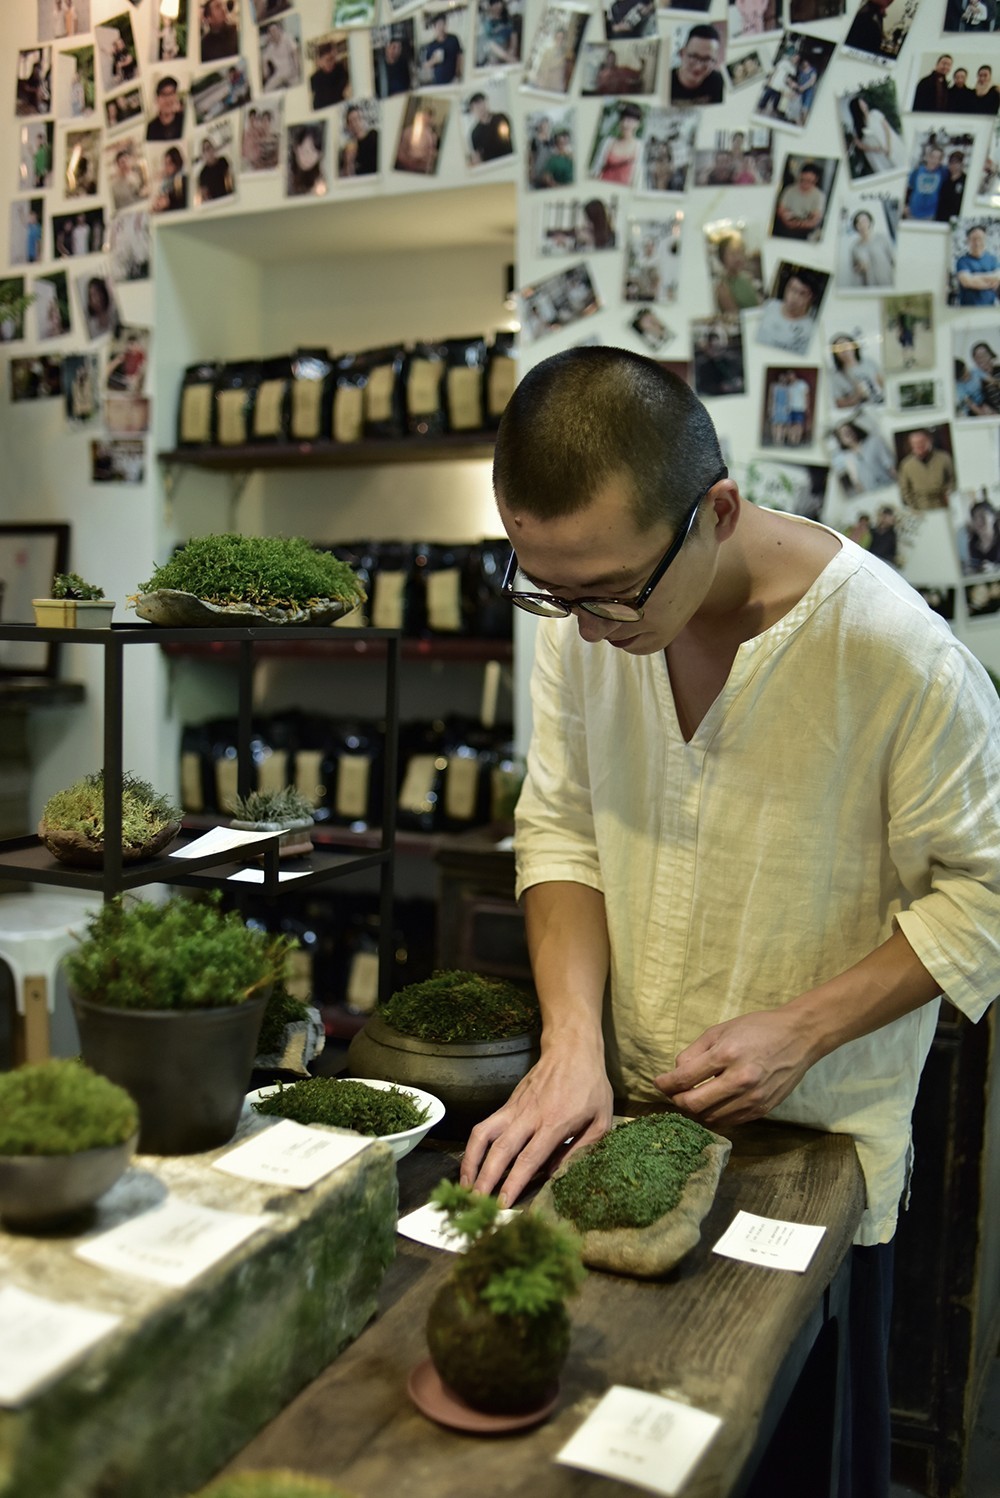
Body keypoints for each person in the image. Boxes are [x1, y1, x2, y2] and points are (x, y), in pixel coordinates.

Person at [462, 346, 1000, 1498]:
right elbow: (559, 829)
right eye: (549, 589)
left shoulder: (894, 656)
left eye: (611, 592)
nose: (585, 628)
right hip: (621, 1128)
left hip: (808, 1150)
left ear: (716, 510)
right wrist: (567, 1045)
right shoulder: (585, 616)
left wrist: (802, 1027)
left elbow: (985, 890)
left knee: (785, 1452)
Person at [755, 268, 820, 355]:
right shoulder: (769, 306)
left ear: (810, 297)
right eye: (792, 289)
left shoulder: (810, 331)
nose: (794, 297)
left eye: (802, 293)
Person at [897, 428, 954, 509]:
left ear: (929, 441)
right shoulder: (906, 465)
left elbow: (952, 479)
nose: (919, 446)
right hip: (920, 506)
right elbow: (904, 490)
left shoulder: (944, 458)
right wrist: (914, 507)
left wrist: (949, 495)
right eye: (915, 444)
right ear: (911, 445)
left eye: (921, 442)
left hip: (942, 503)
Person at [847, 95, 904, 176]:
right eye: (860, 104)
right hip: (875, 154)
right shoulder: (857, 128)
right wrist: (874, 149)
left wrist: (888, 146)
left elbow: (887, 129)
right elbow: (859, 145)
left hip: (889, 145)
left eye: (862, 102)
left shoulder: (875, 114)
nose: (863, 104)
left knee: (899, 163)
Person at [670, 24, 724, 105]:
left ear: (714, 61)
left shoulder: (719, 82)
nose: (698, 67)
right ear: (682, 53)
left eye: (707, 59)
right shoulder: (665, 81)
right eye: (693, 57)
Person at [591, 103, 642, 185]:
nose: (625, 124)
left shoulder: (640, 147)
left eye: (629, 120)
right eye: (623, 119)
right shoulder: (607, 142)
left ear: (637, 124)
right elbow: (596, 169)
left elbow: (638, 178)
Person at [773, 160, 826, 240]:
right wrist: (786, 220)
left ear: (815, 180)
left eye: (808, 181)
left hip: (806, 231)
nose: (804, 184)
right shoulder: (789, 190)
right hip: (786, 227)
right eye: (802, 180)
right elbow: (780, 209)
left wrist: (799, 224)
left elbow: (815, 220)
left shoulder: (819, 196)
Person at [830, 332, 884, 407]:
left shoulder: (868, 362)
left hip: (880, 405)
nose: (844, 350)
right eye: (839, 348)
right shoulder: (836, 376)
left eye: (846, 346)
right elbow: (839, 404)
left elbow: (883, 383)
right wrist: (857, 396)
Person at [714, 233, 761, 313]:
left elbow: (758, 304)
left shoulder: (747, 277)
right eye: (732, 253)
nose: (738, 257)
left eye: (740, 252)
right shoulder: (723, 287)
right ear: (722, 257)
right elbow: (736, 316)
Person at [955, 223, 1000, 305]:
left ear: (985, 240)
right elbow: (967, 282)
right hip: (967, 310)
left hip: (989, 308)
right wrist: (990, 282)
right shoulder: (962, 261)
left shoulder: (993, 259)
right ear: (968, 241)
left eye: (980, 239)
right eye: (974, 239)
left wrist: (974, 277)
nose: (977, 243)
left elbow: (998, 277)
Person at [850, 209, 895, 288]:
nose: (862, 225)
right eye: (859, 223)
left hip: (888, 283)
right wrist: (860, 267)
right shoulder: (855, 247)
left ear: (869, 222)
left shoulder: (882, 238)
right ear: (856, 226)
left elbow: (894, 260)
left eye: (864, 221)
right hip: (869, 286)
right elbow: (855, 269)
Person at [903, 142, 947, 220]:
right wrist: (905, 205)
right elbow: (908, 188)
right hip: (913, 212)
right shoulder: (917, 171)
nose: (934, 160)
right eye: (932, 157)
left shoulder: (942, 173)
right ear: (927, 157)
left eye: (938, 158)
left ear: (940, 161)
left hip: (930, 214)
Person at [468, 92, 513, 163]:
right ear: (472, 110)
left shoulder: (501, 118)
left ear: (486, 103)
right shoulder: (475, 133)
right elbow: (478, 156)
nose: (480, 108)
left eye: (481, 103)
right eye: (476, 107)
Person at [422, 13, 464, 85]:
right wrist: (434, 60)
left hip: (454, 80)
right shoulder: (432, 45)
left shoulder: (453, 39)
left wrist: (458, 74)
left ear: (445, 25)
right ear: (434, 27)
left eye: (443, 24)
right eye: (438, 25)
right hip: (438, 82)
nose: (441, 28)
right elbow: (426, 65)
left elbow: (459, 56)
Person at [261, 20, 301, 90]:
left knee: (298, 87)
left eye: (275, 30)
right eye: (271, 32)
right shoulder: (270, 47)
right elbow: (264, 61)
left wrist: (297, 69)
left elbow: (295, 53)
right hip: (279, 74)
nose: (274, 33)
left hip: (291, 72)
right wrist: (265, 71)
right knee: (267, 89)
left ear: (279, 30)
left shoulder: (287, 39)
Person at [310, 40, 350, 110]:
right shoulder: (315, 78)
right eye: (328, 60)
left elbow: (343, 85)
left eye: (333, 59)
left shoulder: (340, 70)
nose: (332, 62)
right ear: (319, 61)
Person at [339, 105, 378, 176]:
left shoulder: (374, 136)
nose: (355, 124)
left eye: (357, 119)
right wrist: (349, 163)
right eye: (351, 121)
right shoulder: (348, 149)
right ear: (348, 126)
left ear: (362, 119)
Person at [288, 123, 326, 194]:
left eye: (313, 152)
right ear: (296, 149)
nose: (308, 157)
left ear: (319, 155)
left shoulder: (321, 178)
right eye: (305, 151)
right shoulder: (286, 174)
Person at [965, 496, 1000, 568]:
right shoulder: (972, 543)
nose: (979, 521)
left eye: (982, 515)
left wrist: (994, 567)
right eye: (975, 517)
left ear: (993, 517)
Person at [146, 77, 184, 141]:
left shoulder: (184, 121)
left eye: (171, 93)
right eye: (164, 94)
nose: (168, 99)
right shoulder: (150, 129)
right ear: (157, 99)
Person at [935, 150, 967, 221]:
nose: (953, 165)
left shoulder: (965, 180)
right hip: (941, 216)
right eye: (951, 163)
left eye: (956, 163)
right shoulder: (945, 178)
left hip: (956, 217)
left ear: (961, 164)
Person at [152, 145, 187, 211]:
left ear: (176, 163)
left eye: (169, 164)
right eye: (165, 164)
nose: (166, 167)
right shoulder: (167, 180)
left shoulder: (182, 179)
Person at [768, 369, 791, 443]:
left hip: (784, 408)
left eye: (784, 378)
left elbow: (788, 399)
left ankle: (781, 438)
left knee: (782, 424)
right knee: (775, 424)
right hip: (776, 407)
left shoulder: (787, 388)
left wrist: (788, 408)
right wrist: (770, 408)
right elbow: (771, 398)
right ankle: (775, 439)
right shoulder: (774, 386)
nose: (782, 379)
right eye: (781, 377)